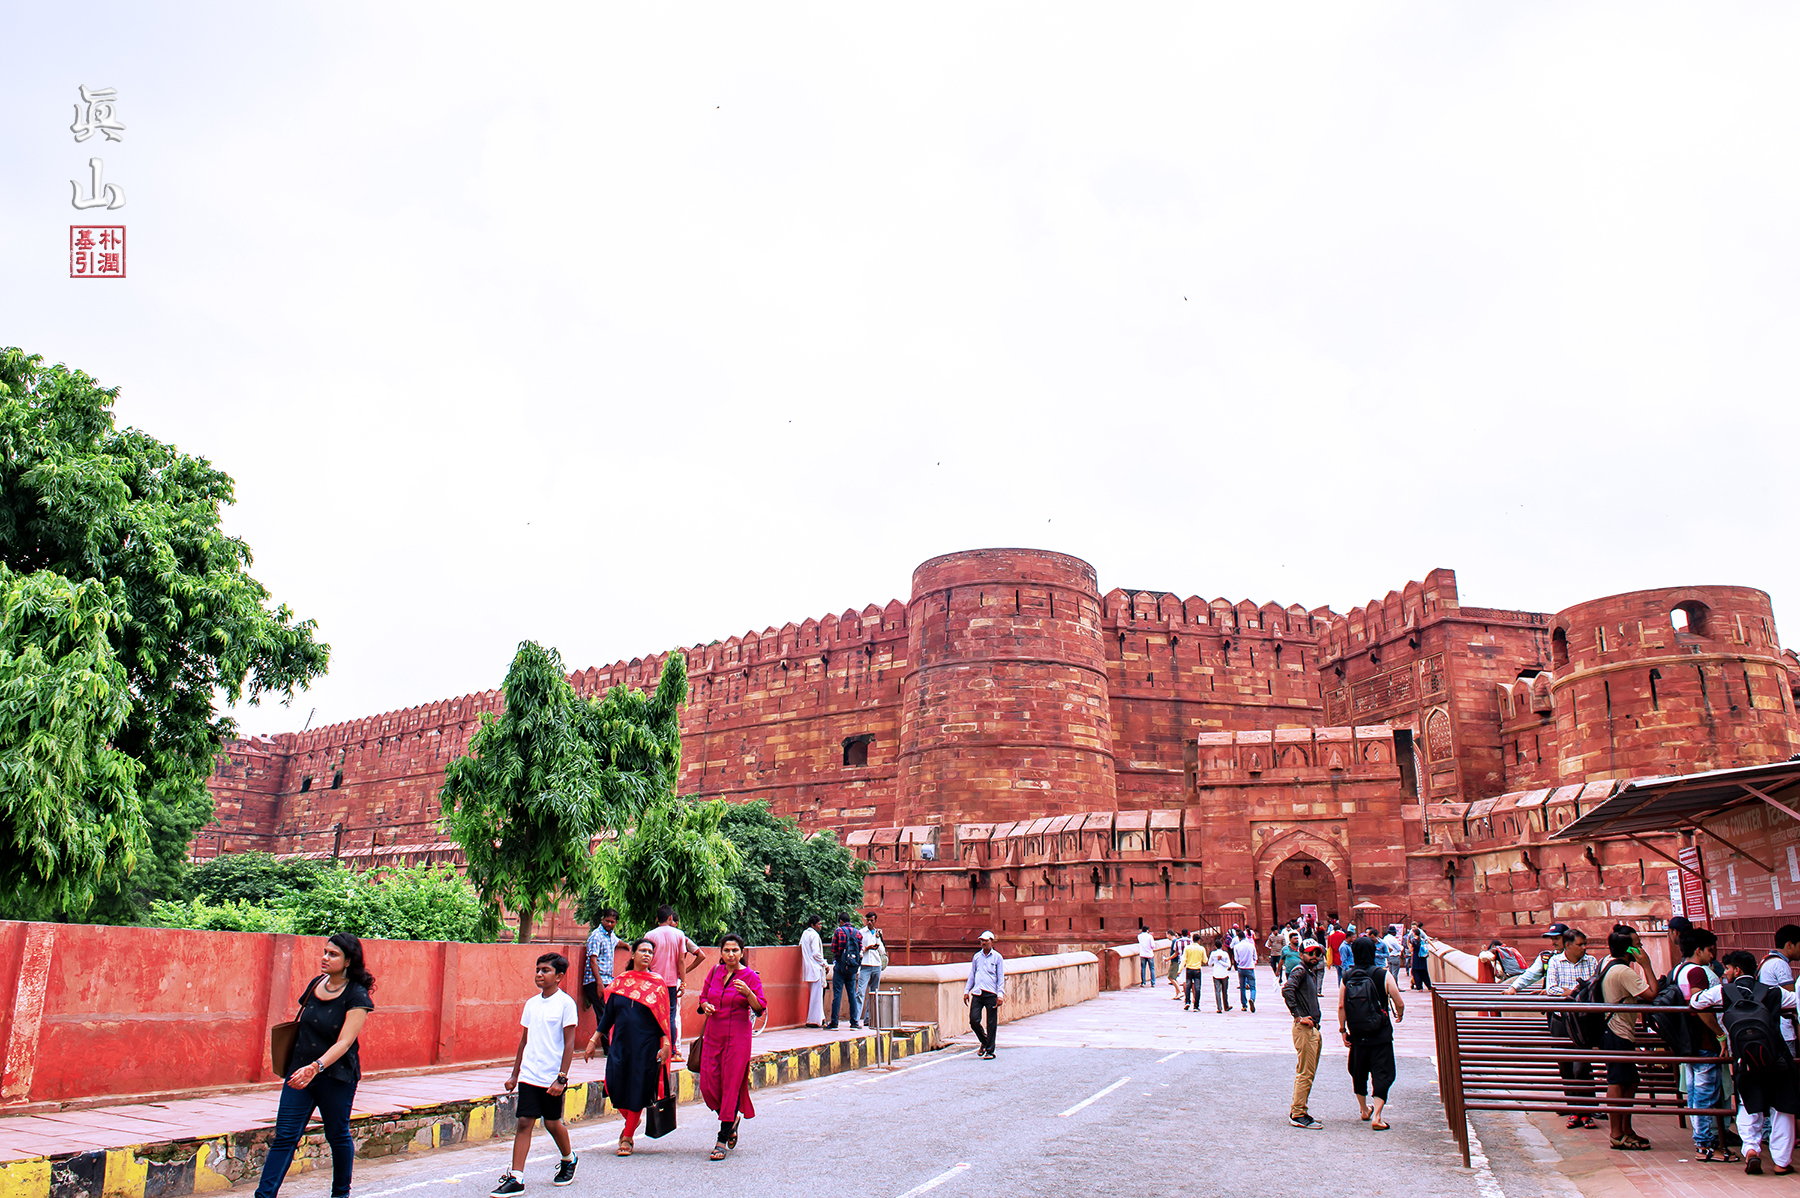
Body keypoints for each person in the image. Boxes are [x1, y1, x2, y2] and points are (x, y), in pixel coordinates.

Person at [253, 933, 376, 1198]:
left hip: (335, 1077)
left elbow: (345, 1042)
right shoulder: (315, 984)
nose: (325, 957)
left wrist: (316, 1067)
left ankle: (340, 1194)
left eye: (333, 954)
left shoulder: (357, 995)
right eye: (325, 952)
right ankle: (264, 1196)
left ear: (348, 961)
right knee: (285, 1136)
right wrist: (305, 1069)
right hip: (299, 1073)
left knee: (337, 1135)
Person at [1692, 949, 1799, 1176]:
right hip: (1776, 1057)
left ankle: (1751, 1149)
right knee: (1782, 1107)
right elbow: (1795, 1002)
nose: (1725, 973)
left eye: (1728, 968)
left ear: (1737, 970)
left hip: (1744, 1058)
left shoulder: (1724, 991)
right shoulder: (1773, 991)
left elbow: (1697, 1002)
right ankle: (1781, 1162)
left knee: (1748, 1102)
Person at [494, 953, 580, 1195]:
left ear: (559, 976)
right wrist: (514, 1075)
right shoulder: (531, 1004)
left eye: (545, 970)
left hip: (552, 1076)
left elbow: (569, 1044)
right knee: (524, 1122)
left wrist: (561, 1078)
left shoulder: (565, 1004)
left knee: (552, 1123)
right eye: (537, 970)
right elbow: (524, 1041)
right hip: (530, 1074)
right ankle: (516, 1178)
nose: (539, 974)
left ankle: (569, 1158)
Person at [585, 938, 672, 1157]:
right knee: (613, 1084)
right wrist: (593, 1040)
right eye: (642, 950)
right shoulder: (620, 982)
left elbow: (663, 1019)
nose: (647, 954)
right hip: (620, 1044)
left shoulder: (657, 984)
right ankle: (632, 1118)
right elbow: (608, 1016)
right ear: (633, 954)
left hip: (646, 1046)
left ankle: (627, 1135)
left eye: (650, 952)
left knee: (637, 1087)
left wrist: (666, 1044)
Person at [1507, 925, 1598, 1129]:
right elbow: (1551, 987)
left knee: (1582, 1066)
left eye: (1556, 938)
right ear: (1569, 945)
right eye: (1580, 944)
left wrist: (1568, 992)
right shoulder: (1552, 960)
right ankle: (1574, 1109)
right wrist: (1514, 987)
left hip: (1582, 1020)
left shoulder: (1591, 961)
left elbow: (1593, 987)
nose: (1553, 942)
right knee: (1566, 1065)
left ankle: (1587, 1110)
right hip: (1560, 1019)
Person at [696, 933, 767, 1161]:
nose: (730, 954)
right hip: (713, 1035)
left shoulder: (749, 977)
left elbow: (759, 1008)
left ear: (741, 952)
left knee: (731, 1086)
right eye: (726, 950)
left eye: (735, 950)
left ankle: (721, 1139)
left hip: (737, 1038)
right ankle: (732, 1118)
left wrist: (748, 993)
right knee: (707, 1085)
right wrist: (705, 1005)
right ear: (721, 952)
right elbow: (703, 997)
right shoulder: (715, 972)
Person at [1597, 927, 1657, 1151]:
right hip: (1617, 1032)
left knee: (1630, 1081)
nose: (1641, 948)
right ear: (1628, 949)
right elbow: (1652, 994)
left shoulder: (1608, 964)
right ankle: (1616, 1134)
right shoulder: (1623, 971)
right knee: (1617, 1081)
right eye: (1638, 945)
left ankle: (1626, 1129)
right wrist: (1647, 965)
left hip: (1616, 1031)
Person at [1674, 928, 1729, 1163]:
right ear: (1699, 950)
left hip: (1689, 1041)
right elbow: (1700, 1005)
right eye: (1709, 950)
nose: (1712, 955)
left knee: (1696, 1094)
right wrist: (1720, 1034)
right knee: (1705, 1094)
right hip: (1704, 1040)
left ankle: (1702, 1141)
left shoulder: (1679, 970)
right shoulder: (1697, 972)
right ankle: (1705, 1145)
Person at [1339, 935, 1405, 1130]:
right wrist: (1399, 1014)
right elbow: (1399, 1001)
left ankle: (1363, 1110)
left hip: (1357, 1032)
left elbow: (1341, 1006)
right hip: (1380, 1032)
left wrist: (1343, 1030)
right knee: (1382, 1072)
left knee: (1358, 1072)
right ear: (1373, 951)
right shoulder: (1382, 974)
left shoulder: (1347, 976)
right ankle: (1377, 1115)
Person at [1282, 939, 1327, 1129]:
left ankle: (1300, 1110)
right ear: (1301, 954)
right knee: (1305, 1072)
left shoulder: (1308, 971)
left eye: (1317, 953)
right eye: (1310, 953)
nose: (1315, 957)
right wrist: (1298, 1016)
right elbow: (1287, 989)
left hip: (1312, 1027)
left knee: (1308, 1071)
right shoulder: (1300, 970)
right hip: (1305, 1028)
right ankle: (1298, 1113)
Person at [644, 905, 703, 1041]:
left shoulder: (649, 935)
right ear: (670, 918)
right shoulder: (679, 934)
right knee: (670, 1015)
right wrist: (683, 982)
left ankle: (653, 1045)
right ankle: (670, 1048)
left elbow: (646, 959)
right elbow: (681, 960)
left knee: (653, 1013)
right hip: (671, 983)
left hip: (653, 981)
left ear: (657, 919)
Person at [965, 930, 1005, 1058]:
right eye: (982, 940)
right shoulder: (977, 957)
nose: (983, 943)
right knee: (974, 1020)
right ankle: (985, 1040)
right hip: (978, 992)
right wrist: (967, 991)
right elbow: (972, 974)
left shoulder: (997, 957)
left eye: (986, 941)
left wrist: (1000, 994)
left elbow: (1000, 977)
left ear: (991, 942)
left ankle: (990, 1051)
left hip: (991, 993)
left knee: (991, 1023)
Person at [582, 908, 624, 1017]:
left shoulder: (610, 935)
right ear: (602, 919)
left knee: (611, 1011)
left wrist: (628, 947)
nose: (609, 924)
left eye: (612, 922)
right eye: (607, 921)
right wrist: (599, 983)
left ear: (616, 923)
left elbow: (618, 942)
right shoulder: (596, 936)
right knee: (604, 1015)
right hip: (595, 980)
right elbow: (592, 961)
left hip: (607, 980)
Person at [827, 912, 864, 1029]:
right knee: (852, 994)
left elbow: (834, 948)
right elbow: (860, 950)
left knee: (837, 994)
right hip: (852, 967)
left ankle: (834, 1022)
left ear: (841, 921)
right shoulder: (857, 932)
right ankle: (854, 1022)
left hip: (840, 966)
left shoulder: (838, 931)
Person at [858, 912, 886, 1023]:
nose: (869, 922)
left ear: (875, 921)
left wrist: (878, 938)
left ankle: (868, 1018)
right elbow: (858, 949)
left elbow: (882, 951)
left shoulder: (877, 933)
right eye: (868, 920)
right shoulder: (861, 932)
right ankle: (856, 1018)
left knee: (874, 993)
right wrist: (867, 948)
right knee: (860, 991)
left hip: (876, 964)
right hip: (865, 964)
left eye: (871, 920)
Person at [799, 915, 827, 1028]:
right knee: (816, 997)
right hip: (815, 968)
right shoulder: (814, 935)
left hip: (808, 968)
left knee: (815, 995)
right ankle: (814, 1020)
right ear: (813, 925)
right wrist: (824, 963)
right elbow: (816, 953)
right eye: (818, 924)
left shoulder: (804, 934)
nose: (820, 926)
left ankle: (821, 1018)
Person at [1233, 928, 1259, 1013]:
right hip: (1250, 967)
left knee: (1242, 987)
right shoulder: (1251, 945)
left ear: (1239, 938)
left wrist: (1240, 963)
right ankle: (1252, 999)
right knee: (1252, 986)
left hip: (1241, 968)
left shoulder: (1236, 946)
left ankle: (1244, 1005)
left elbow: (1236, 959)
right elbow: (1255, 957)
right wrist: (1253, 963)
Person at [1182, 933, 1207, 1011]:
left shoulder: (1187, 948)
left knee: (1188, 986)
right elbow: (1205, 960)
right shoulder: (1201, 949)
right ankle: (1196, 1006)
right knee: (1197, 988)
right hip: (1197, 970)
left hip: (1189, 969)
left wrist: (1179, 970)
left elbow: (1184, 959)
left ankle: (1187, 1001)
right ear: (1199, 940)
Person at [1209, 937, 1234, 1013]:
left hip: (1216, 973)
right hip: (1224, 974)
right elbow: (1229, 965)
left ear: (1215, 946)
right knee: (1224, 991)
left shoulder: (1213, 954)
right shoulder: (1225, 954)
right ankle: (1226, 1006)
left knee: (1217, 991)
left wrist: (1217, 961)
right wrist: (1221, 961)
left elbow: (1209, 963)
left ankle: (1219, 1007)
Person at [1409, 924, 1431, 991]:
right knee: (1424, 973)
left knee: (1416, 973)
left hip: (1416, 958)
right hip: (1422, 958)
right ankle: (1429, 986)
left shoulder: (1413, 940)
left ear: (1414, 933)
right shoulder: (1423, 940)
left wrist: (1409, 944)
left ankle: (1419, 987)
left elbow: (1411, 950)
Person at [1167, 929, 1187, 997]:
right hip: (1179, 961)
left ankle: (1179, 992)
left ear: (1169, 935)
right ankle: (1178, 993)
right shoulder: (1177, 941)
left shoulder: (1176, 941)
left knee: (1171, 977)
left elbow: (1176, 953)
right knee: (1174, 977)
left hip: (1176, 961)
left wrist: (1168, 958)